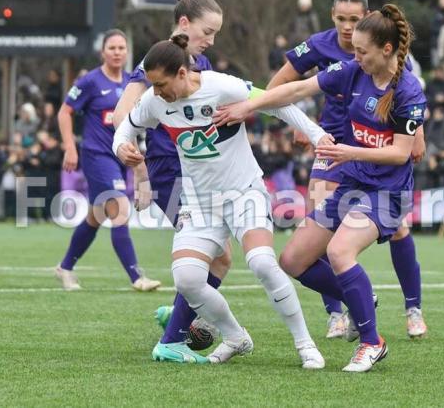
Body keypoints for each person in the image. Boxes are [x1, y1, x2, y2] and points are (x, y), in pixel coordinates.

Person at [214, 4, 426, 372]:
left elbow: (401, 154)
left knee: (341, 252)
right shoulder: (352, 71)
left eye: (362, 51)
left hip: (387, 192)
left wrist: (349, 151)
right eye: (354, 51)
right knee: (293, 260)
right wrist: (249, 106)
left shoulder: (408, 90)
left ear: (387, 50)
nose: (355, 57)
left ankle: (372, 342)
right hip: (353, 181)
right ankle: (360, 299)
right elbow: (297, 88)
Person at [114, 35, 329, 368]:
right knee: (187, 279)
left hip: (244, 192)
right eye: (152, 86)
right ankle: (235, 336)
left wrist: (317, 136)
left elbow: (276, 102)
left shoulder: (221, 86)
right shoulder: (154, 101)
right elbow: (125, 129)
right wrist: (123, 149)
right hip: (199, 203)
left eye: (161, 84)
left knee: (261, 261)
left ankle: (305, 344)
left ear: (183, 73)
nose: (156, 92)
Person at [268, 0, 427, 341]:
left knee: (395, 228)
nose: (346, 26)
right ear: (331, 16)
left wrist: (418, 136)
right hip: (331, 145)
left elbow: (411, 109)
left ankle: (412, 307)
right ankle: (338, 313)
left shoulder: (391, 57)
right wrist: (295, 122)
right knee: (315, 239)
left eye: (354, 20)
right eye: (341, 19)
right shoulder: (321, 46)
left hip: (372, 156)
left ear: (369, 20)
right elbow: (284, 86)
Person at [112, 0, 230, 363]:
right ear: (184, 23)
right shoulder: (158, 61)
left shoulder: (201, 65)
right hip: (169, 170)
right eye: (207, 31)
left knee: (218, 257)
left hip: (197, 172)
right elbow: (123, 116)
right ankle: (172, 338)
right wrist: (139, 167)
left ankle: (181, 315)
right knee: (216, 256)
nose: (211, 40)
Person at [55, 29, 160, 291]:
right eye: (112, 48)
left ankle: (65, 267)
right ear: (103, 51)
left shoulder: (132, 83)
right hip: (96, 155)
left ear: (127, 52)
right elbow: (65, 112)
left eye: (121, 48)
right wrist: (70, 147)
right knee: (120, 208)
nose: (117, 52)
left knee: (96, 216)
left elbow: (132, 125)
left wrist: (137, 161)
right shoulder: (90, 81)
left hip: (119, 157)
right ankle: (137, 277)